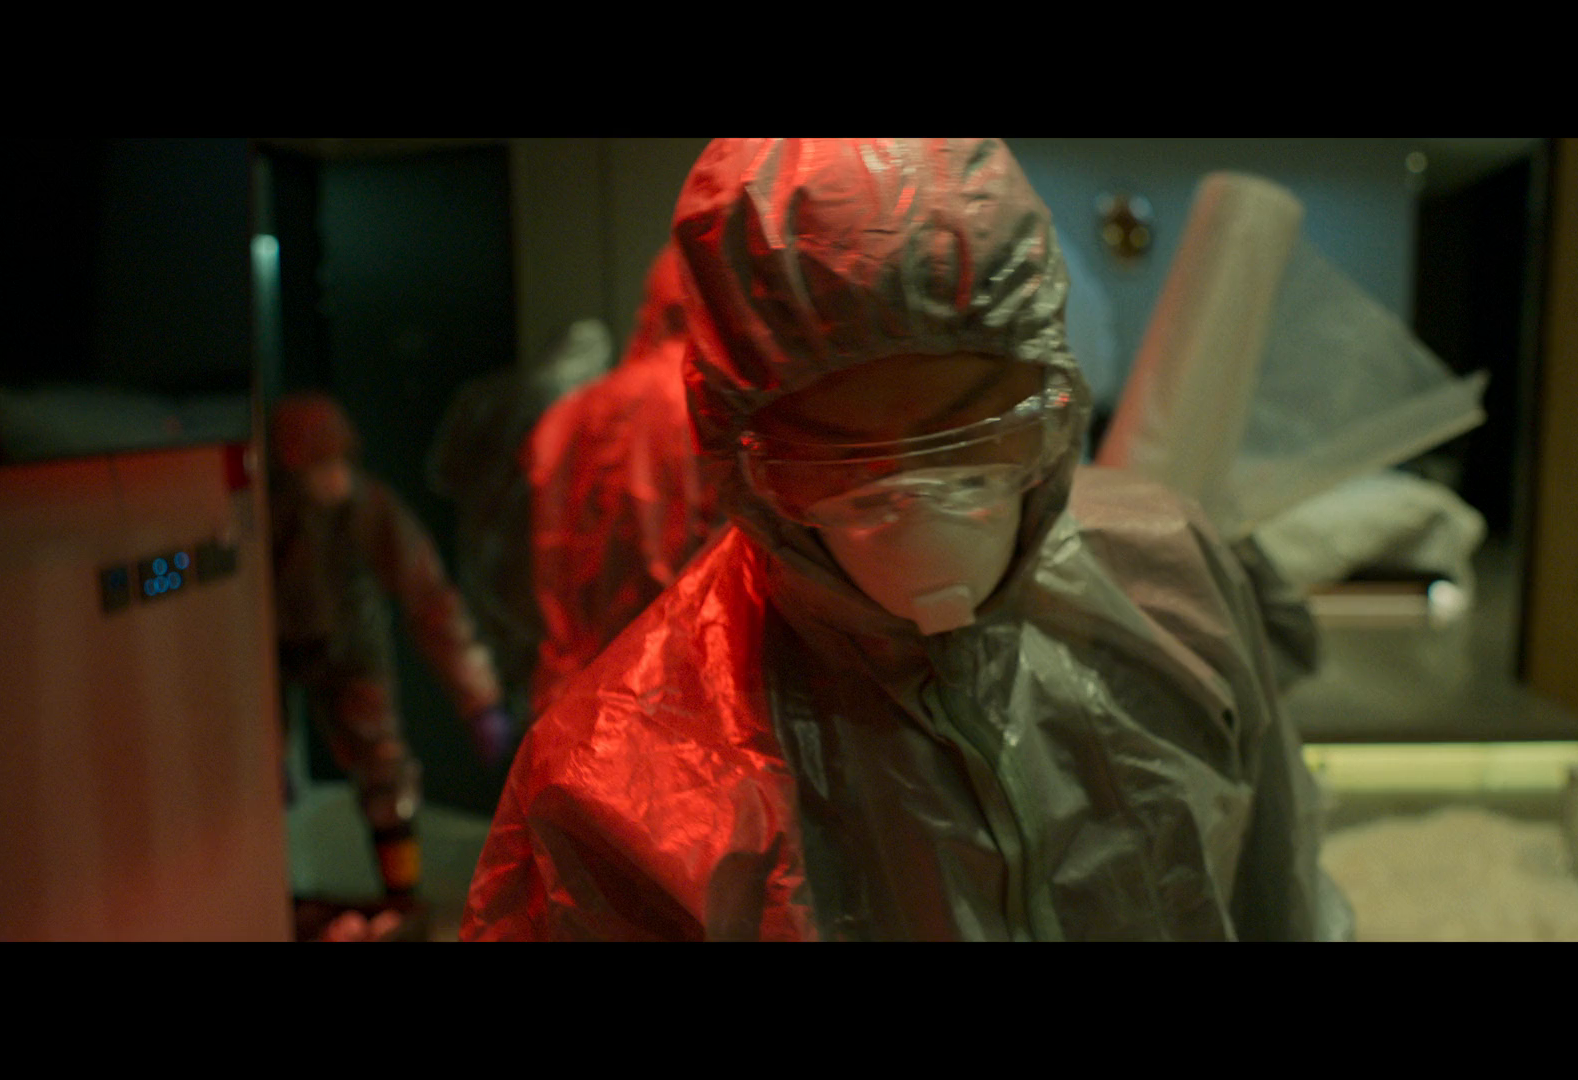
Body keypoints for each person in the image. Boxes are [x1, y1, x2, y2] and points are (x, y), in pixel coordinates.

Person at [462, 138, 1339, 941]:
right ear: (741, 450)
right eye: (840, 456)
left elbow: (1277, 896)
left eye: (972, 430)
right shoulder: (616, 789)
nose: (919, 508)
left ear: (1053, 386)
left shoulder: (1168, 580)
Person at [269, 392, 515, 908]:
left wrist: (478, 696)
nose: (334, 477)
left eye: (340, 461)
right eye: (318, 464)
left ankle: (401, 896)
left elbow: (430, 600)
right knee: (256, 773)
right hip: (270, 652)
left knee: (385, 774)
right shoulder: (265, 514)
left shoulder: (367, 507)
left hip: (352, 647)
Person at [523, 245, 720, 716]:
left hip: (579, 699)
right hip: (686, 700)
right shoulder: (721, 409)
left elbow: (544, 565)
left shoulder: (569, 416)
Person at [427, 319, 615, 718]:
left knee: (495, 673)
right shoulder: (591, 412)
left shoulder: (484, 396)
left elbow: (442, 473)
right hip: (550, 562)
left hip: (484, 551)